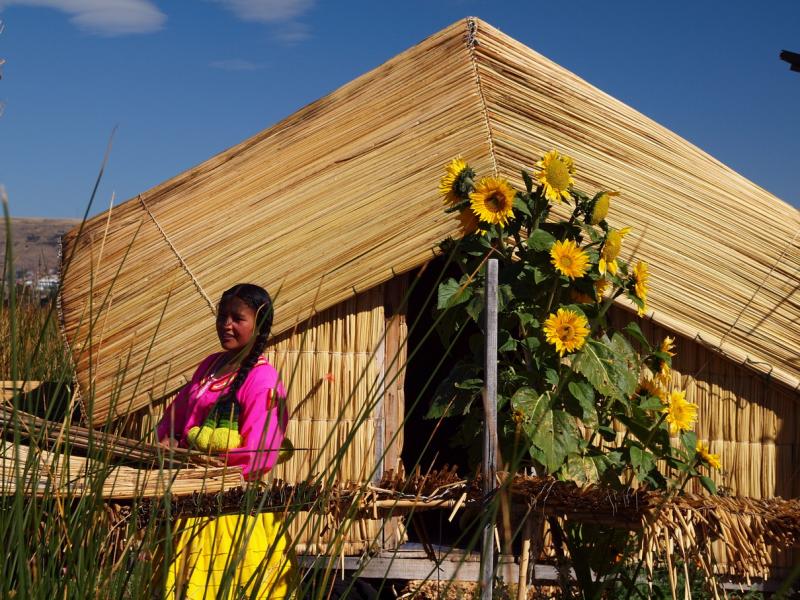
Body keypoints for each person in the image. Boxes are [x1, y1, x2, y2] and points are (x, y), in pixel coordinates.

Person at [156, 283, 293, 599]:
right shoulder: (210, 366)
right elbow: (175, 416)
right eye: (222, 316)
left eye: (237, 318)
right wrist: (170, 442)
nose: (226, 325)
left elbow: (260, 453)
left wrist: (200, 462)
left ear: (259, 325)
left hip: (232, 509)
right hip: (189, 501)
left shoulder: (264, 380)